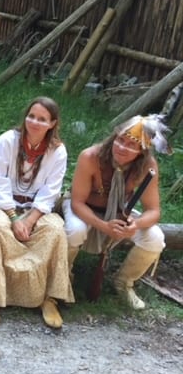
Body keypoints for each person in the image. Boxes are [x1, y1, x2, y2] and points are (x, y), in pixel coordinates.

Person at [0, 96, 73, 328]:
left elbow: (51, 191)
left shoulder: (58, 151)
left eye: (42, 119)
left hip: (37, 208)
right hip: (0, 204)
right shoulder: (6, 142)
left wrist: (29, 220)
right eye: (31, 116)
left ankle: (48, 298)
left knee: (55, 230)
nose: (35, 122)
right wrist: (14, 218)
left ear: (52, 123)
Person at [63, 114, 170, 310]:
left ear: (141, 151)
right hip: (84, 208)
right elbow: (77, 203)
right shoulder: (90, 157)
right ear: (114, 138)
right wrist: (104, 226)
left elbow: (153, 211)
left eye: (131, 145)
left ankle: (123, 283)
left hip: (120, 213)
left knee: (155, 237)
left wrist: (134, 225)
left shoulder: (148, 167)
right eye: (120, 140)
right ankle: (63, 277)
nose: (122, 147)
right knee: (75, 229)